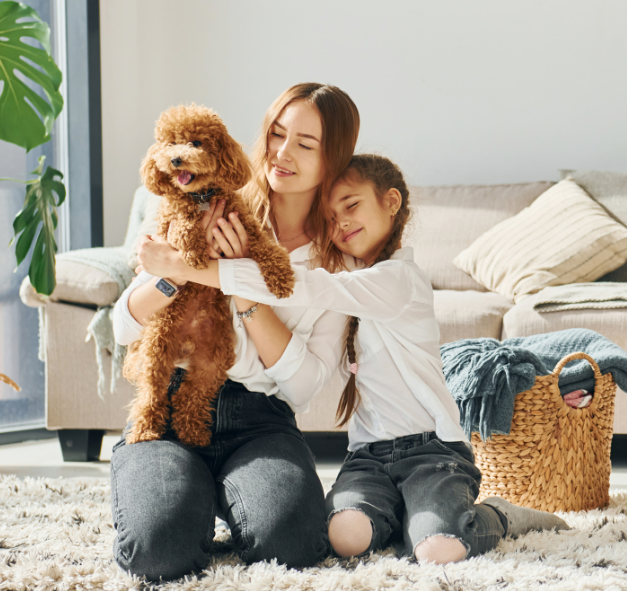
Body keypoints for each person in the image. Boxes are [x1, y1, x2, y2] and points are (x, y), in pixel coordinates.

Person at [182, 153, 570, 564]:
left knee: (437, 550)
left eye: (351, 205)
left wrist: (190, 267)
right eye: (330, 218)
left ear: (391, 202)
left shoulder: (400, 279)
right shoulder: (349, 276)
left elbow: (306, 287)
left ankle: (500, 516)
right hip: (368, 457)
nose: (341, 223)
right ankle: (405, 512)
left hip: (432, 452)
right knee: (344, 538)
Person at [110, 83, 360, 581]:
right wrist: (173, 272)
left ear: (332, 160)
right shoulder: (209, 203)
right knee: (158, 552)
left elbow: (304, 386)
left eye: (305, 144)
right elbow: (123, 326)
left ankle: (221, 492)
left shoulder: (337, 265)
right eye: (276, 134)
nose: (281, 153)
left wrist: (242, 284)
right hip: (170, 410)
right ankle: (180, 490)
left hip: (261, 421)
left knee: (293, 543)